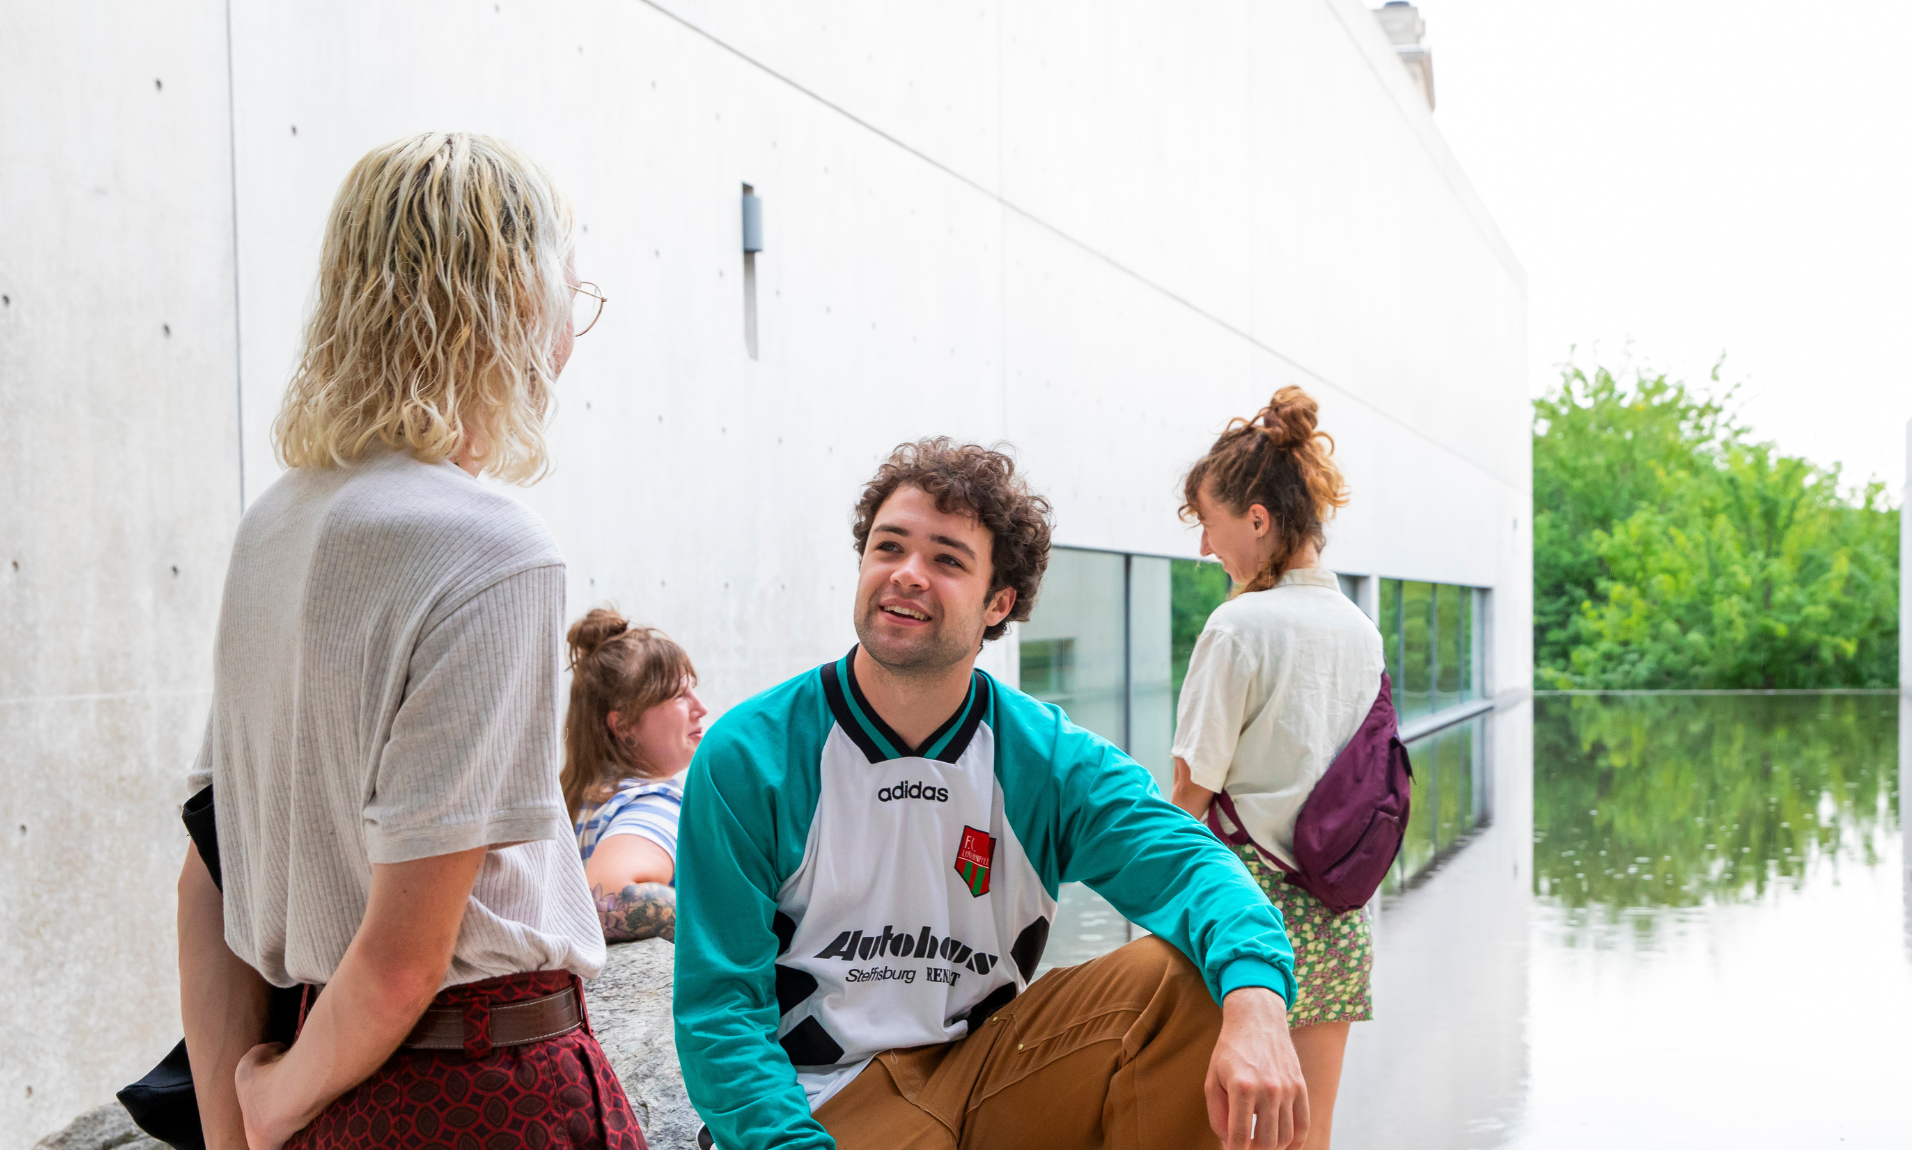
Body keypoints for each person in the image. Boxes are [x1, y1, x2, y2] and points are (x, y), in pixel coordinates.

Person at [175, 132, 643, 1150]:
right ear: (512, 299)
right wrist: (281, 1092)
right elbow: (403, 955)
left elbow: (210, 868)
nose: (576, 317)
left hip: (323, 1087)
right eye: (572, 284)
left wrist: (243, 1124)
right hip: (480, 1088)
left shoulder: (276, 525)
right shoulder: (490, 543)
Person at [672, 439, 1311, 1150]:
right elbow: (720, 1013)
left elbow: (1193, 864)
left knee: (1186, 980)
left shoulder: (1042, 757)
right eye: (889, 548)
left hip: (986, 1072)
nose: (907, 575)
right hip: (830, 1105)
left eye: (947, 559)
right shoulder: (752, 754)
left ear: (997, 602)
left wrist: (1257, 1000)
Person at [1167, 386, 1382, 1150]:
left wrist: (1144, 921)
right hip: (1336, 908)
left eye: (1209, 524)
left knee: (1213, 1132)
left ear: (1257, 520)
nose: (1204, 547)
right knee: (1307, 1134)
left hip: (1241, 916)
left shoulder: (1236, 627)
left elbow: (1190, 792)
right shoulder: (1362, 632)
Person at [562, 607, 709, 942]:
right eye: (678, 695)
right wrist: (733, 930)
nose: (701, 707)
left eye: (693, 689)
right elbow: (607, 895)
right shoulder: (652, 801)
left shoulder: (581, 798)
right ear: (624, 724)